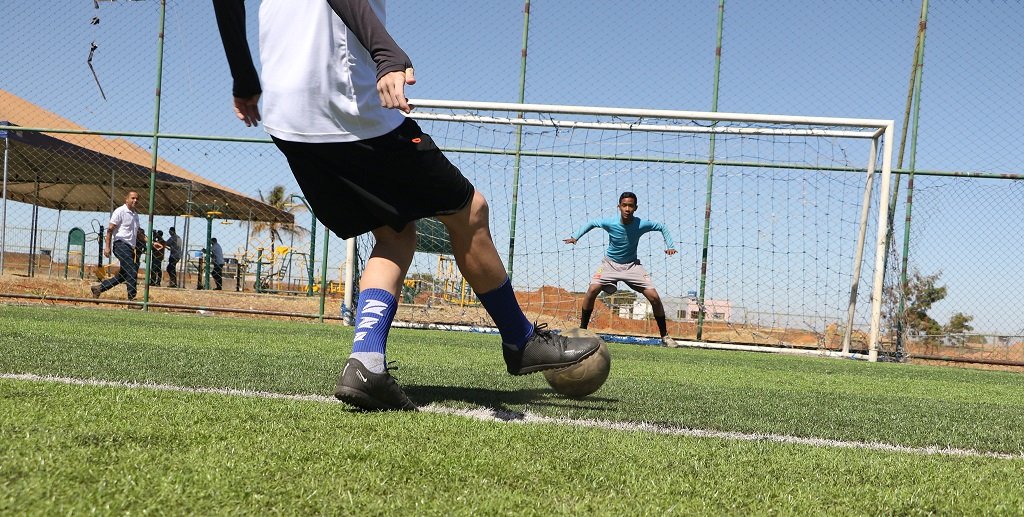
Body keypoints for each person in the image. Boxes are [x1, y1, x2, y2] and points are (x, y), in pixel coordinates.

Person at [213, 0, 599, 411]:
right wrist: (386, 54)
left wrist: (243, 78)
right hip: (346, 107)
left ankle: (366, 364)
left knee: (394, 232)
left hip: (287, 116)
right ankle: (520, 341)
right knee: (470, 211)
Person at [564, 191, 680, 348]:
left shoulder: (641, 224)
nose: (627, 209)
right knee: (592, 290)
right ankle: (583, 330)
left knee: (654, 297)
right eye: (624, 205)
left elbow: (662, 227)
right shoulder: (610, 223)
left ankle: (665, 337)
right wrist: (575, 237)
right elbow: (591, 223)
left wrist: (670, 245)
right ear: (619, 206)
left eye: (630, 206)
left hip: (632, 266)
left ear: (635, 208)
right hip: (609, 264)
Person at [91, 191, 162, 301]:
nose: (135, 200)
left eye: (137, 199)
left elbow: (139, 234)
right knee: (132, 270)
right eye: (133, 198)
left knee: (124, 275)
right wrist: (107, 246)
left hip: (129, 247)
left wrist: (151, 243)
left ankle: (99, 288)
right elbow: (110, 230)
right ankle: (132, 299)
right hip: (120, 245)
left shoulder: (135, 215)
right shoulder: (120, 211)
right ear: (126, 199)